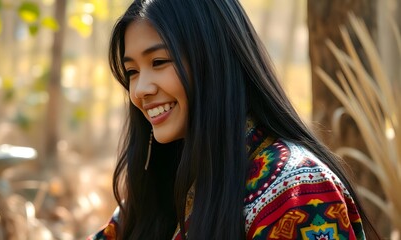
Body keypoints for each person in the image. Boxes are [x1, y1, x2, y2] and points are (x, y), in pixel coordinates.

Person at [90, 0, 380, 239]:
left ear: (215, 59)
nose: (140, 89)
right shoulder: (166, 182)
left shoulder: (296, 192)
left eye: (159, 62)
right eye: (132, 72)